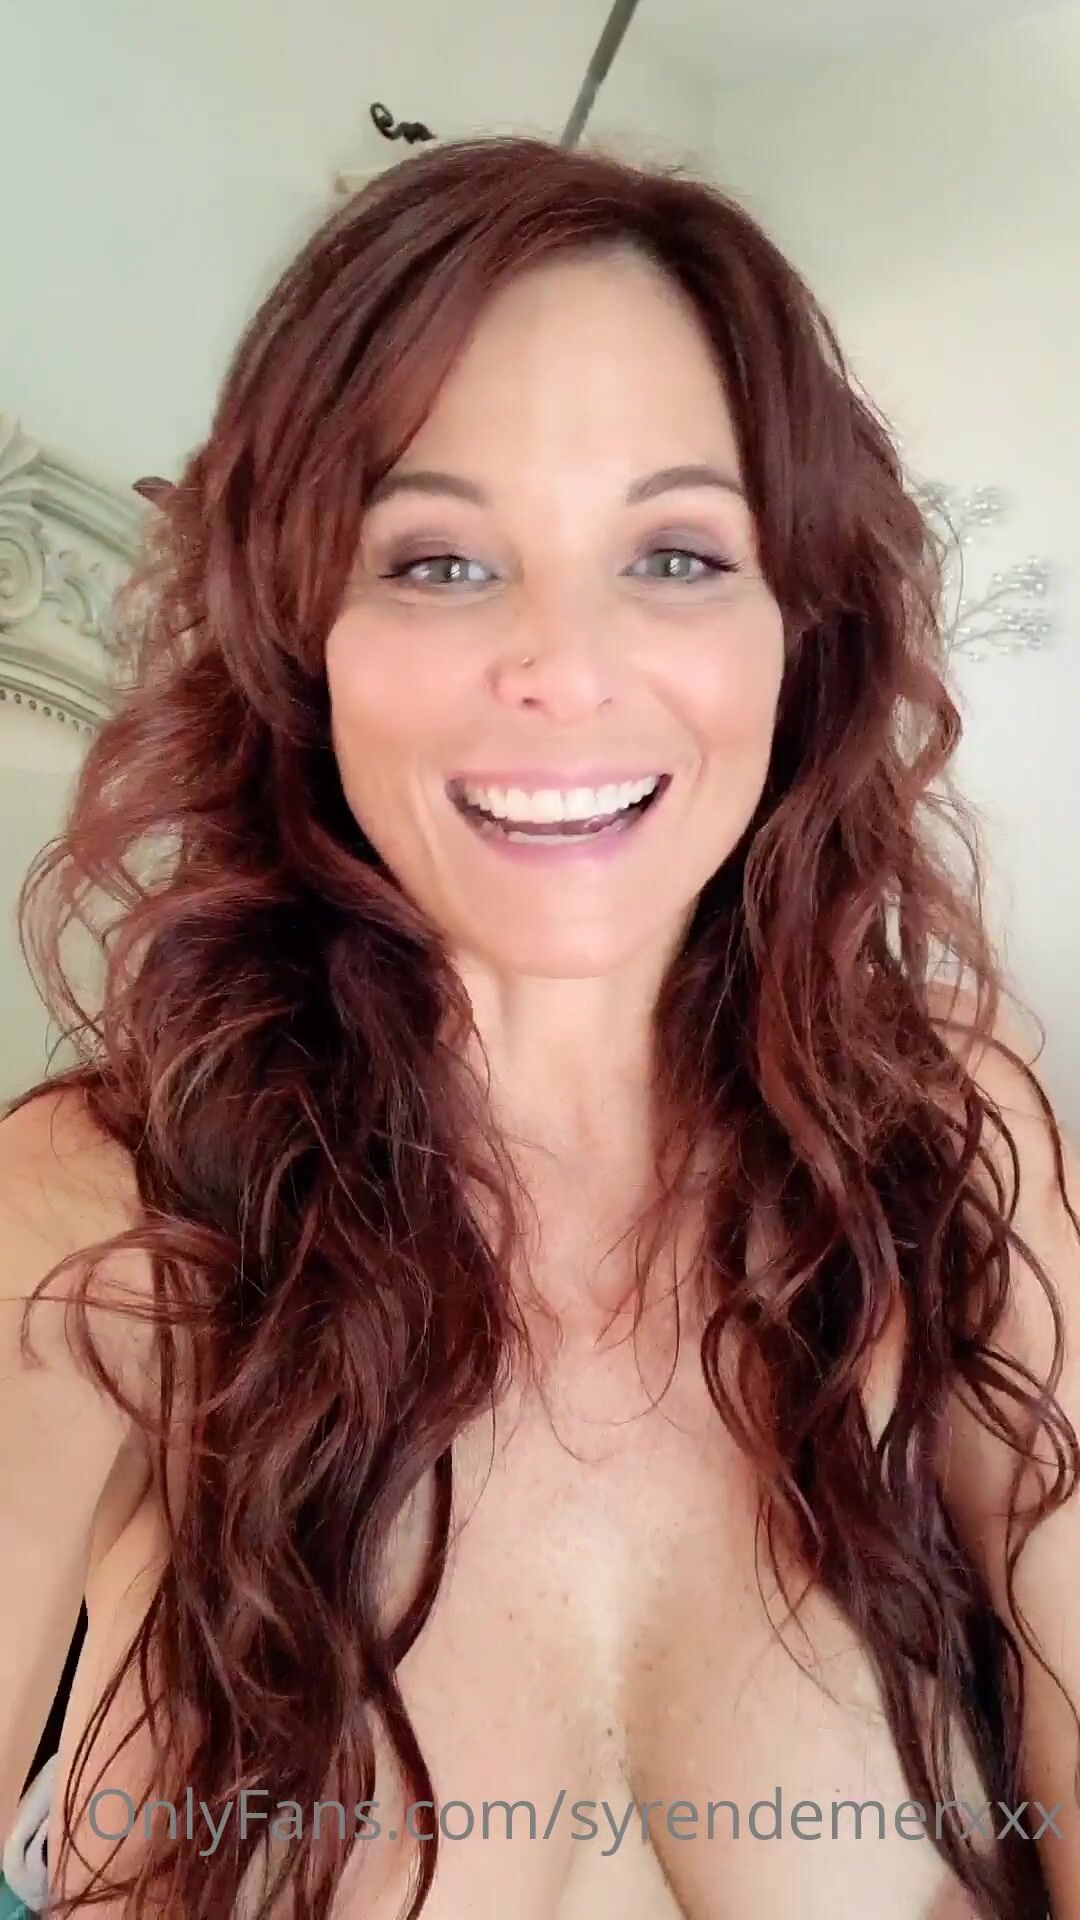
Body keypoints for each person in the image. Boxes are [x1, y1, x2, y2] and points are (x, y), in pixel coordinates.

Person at [1, 132, 1077, 1920]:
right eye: (437, 561)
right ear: (300, 634)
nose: (565, 670)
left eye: (677, 552)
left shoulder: (949, 1133)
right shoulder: (99, 1205)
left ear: (797, 630)